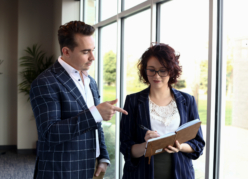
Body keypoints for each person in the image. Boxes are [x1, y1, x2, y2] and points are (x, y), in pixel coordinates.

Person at [30, 21, 128, 179]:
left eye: (93, 50)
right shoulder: (45, 82)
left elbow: (96, 124)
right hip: (62, 171)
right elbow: (50, 132)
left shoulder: (91, 81)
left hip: (94, 167)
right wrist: (95, 113)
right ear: (66, 51)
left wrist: (103, 156)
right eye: (86, 52)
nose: (92, 57)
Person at [120, 43, 205, 179]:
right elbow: (125, 147)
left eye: (163, 70)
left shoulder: (187, 101)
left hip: (181, 174)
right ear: (145, 70)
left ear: (171, 71)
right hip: (141, 174)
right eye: (151, 70)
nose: (156, 75)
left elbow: (198, 144)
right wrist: (145, 145)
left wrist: (180, 146)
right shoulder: (133, 101)